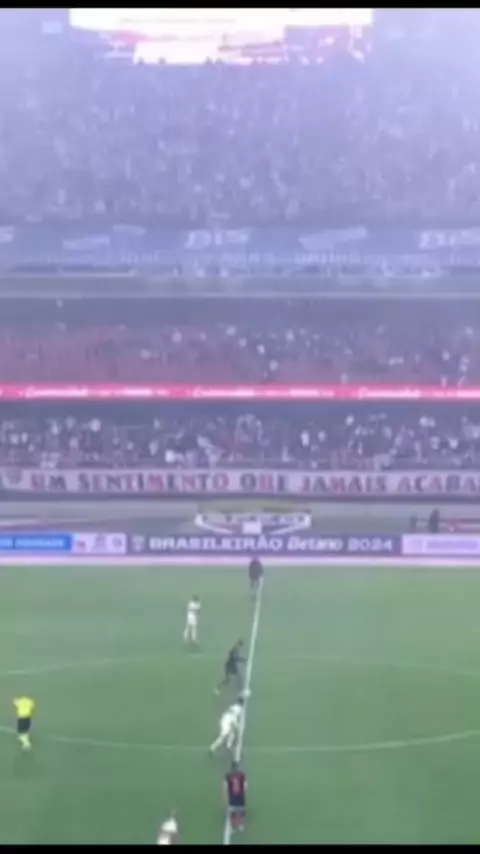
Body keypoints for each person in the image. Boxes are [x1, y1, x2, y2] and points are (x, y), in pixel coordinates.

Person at [224, 760, 247, 833]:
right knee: (238, 811)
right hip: (238, 796)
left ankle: (235, 826)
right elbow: (245, 786)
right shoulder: (241, 775)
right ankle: (238, 825)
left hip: (234, 796)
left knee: (237, 811)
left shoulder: (228, 776)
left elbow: (225, 786)